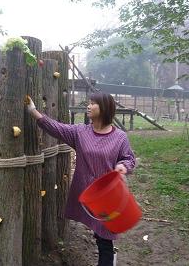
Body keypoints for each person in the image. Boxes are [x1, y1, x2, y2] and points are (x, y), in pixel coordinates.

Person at [26, 92, 136, 266]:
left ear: (104, 108)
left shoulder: (119, 137)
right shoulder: (80, 132)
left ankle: (108, 258)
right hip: (86, 193)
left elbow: (129, 158)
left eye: (93, 103)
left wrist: (124, 166)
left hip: (107, 197)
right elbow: (56, 128)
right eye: (89, 103)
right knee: (98, 231)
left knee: (104, 239)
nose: (88, 106)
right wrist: (34, 112)